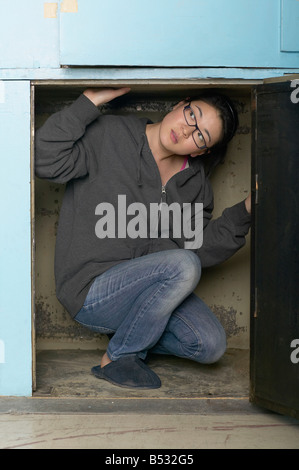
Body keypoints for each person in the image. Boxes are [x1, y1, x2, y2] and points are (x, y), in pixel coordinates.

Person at [35, 87, 251, 390]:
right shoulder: (110, 135)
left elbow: (197, 248)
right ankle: (121, 355)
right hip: (91, 289)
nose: (188, 130)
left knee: (209, 344)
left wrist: (247, 210)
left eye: (201, 136)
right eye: (192, 115)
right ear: (180, 104)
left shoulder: (195, 184)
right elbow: (45, 160)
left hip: (148, 291)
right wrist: (89, 102)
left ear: (201, 151)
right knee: (183, 265)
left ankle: (133, 332)